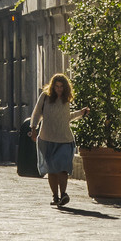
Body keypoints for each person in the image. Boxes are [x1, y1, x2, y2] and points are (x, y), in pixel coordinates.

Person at [29, 74, 75, 208]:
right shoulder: (45, 97)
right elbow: (37, 113)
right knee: (52, 170)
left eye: (61, 87)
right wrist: (33, 128)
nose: (59, 89)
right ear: (52, 86)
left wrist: (80, 113)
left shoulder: (67, 99)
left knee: (63, 168)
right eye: (57, 86)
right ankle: (55, 196)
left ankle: (64, 194)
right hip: (47, 139)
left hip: (65, 138)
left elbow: (67, 117)